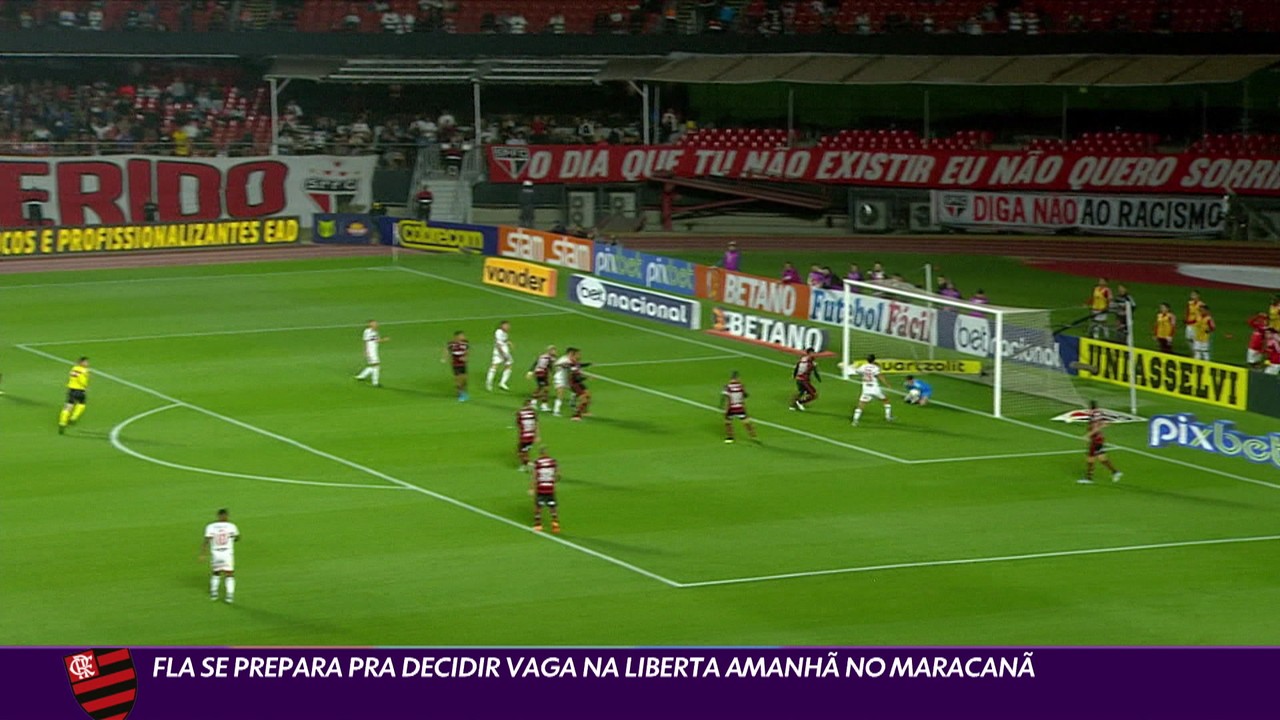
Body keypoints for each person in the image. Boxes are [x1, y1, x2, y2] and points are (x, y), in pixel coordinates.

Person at [199, 508, 240, 603]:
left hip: (216, 553)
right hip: (227, 553)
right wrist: (232, 538)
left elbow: (206, 541)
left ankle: (214, 593)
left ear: (218, 516)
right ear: (226, 516)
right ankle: (229, 596)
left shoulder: (210, 526)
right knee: (229, 574)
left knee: (216, 573)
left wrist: (202, 554)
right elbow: (237, 538)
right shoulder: (231, 526)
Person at [1078, 402, 1122, 485]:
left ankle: (1089, 478)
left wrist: (1088, 435)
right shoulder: (1099, 414)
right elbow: (1105, 423)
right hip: (1099, 439)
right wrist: (1103, 425)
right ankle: (1115, 472)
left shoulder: (1093, 416)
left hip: (1095, 440)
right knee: (1102, 458)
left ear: (1091, 408)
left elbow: (1095, 428)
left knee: (1090, 458)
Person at [850, 353, 892, 427]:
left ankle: (855, 421)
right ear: (874, 360)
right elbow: (880, 376)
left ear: (867, 360)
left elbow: (857, 371)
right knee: (886, 400)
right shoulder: (875, 368)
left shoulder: (863, 366)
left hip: (866, 388)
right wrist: (887, 384)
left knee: (861, 404)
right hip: (875, 388)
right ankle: (888, 417)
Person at [530, 446, 561, 533]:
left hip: (541, 488)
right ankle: (555, 525)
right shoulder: (553, 462)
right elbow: (558, 475)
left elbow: (534, 476)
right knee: (552, 506)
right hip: (550, 488)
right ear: (547, 453)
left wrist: (532, 488)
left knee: (538, 507)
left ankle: (538, 525)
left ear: (540, 453)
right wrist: (553, 479)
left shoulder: (537, 463)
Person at [721, 370, 758, 443]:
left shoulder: (727, 386)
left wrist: (722, 405)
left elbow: (725, 396)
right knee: (746, 422)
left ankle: (730, 437)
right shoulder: (741, 386)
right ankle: (753, 436)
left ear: (731, 378)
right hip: (740, 407)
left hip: (731, 408)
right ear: (737, 378)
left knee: (728, 422)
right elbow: (746, 395)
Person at [57, 356, 90, 434]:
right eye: (86, 362)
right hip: (80, 390)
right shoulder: (84, 370)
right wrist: (85, 386)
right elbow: (82, 380)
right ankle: (74, 417)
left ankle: (62, 422)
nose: (87, 363)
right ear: (82, 363)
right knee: (82, 404)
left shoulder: (73, 368)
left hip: (71, 390)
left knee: (68, 406)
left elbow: (72, 377)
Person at [354, 319, 388, 387]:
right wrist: (366, 351)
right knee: (376, 365)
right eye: (374, 323)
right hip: (370, 351)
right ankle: (375, 382)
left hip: (375, 351)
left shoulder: (376, 332)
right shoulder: (367, 331)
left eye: (376, 323)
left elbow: (376, 341)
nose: (376, 325)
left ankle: (361, 376)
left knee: (374, 366)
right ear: (370, 324)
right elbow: (366, 342)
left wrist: (383, 340)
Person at [526, 345, 557, 411]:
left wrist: (530, 372)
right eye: (554, 350)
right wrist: (554, 374)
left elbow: (535, 363)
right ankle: (542, 405)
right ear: (550, 351)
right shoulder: (550, 358)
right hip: (542, 373)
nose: (555, 352)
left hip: (538, 373)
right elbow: (550, 367)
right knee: (545, 389)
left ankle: (534, 402)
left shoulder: (542, 356)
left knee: (540, 387)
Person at [486, 320, 514, 392]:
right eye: (506, 325)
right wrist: (503, 354)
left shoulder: (505, 333)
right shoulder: (498, 332)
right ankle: (489, 383)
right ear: (502, 326)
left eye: (508, 325)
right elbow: (498, 344)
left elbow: (504, 340)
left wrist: (509, 342)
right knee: (494, 366)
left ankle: (502, 383)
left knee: (509, 365)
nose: (508, 327)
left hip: (504, 352)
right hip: (500, 352)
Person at [443, 330, 469, 401]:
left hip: (463, 364)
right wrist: (445, 358)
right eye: (461, 336)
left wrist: (466, 357)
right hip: (456, 364)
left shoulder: (465, 343)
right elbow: (446, 350)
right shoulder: (451, 344)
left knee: (464, 379)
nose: (463, 337)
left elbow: (467, 351)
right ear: (457, 337)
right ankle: (460, 394)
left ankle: (463, 391)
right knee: (458, 380)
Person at [515, 398, 540, 471]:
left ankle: (526, 465)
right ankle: (527, 464)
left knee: (521, 451)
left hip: (524, 436)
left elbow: (518, 424)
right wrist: (537, 436)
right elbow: (536, 424)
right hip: (531, 436)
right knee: (525, 451)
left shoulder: (520, 413)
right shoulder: (533, 413)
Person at [568, 349, 592, 421]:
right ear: (574, 355)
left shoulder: (576, 363)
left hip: (578, 383)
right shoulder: (572, 364)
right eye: (578, 354)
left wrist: (588, 364)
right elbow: (576, 378)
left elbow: (580, 365)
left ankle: (584, 411)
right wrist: (586, 378)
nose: (580, 356)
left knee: (588, 395)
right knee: (584, 399)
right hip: (575, 384)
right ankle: (576, 416)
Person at [551, 349, 574, 416]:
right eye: (572, 354)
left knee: (575, 390)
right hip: (559, 378)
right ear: (569, 353)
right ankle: (556, 411)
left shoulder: (570, 360)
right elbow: (556, 364)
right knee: (560, 394)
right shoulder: (563, 359)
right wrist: (564, 365)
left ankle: (572, 403)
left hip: (566, 379)